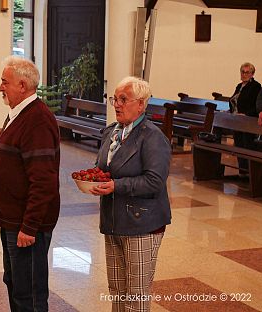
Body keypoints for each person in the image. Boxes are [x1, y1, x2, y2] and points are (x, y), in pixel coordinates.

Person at [89, 76, 171, 312]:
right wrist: (93, 179)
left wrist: (116, 185)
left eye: (124, 99)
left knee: (136, 293)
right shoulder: (111, 133)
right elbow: (103, 167)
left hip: (142, 223)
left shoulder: (153, 137)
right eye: (115, 98)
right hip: (113, 220)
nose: (117, 104)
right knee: (117, 290)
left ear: (141, 104)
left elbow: (154, 181)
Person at [0, 56, 60, 311]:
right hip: (13, 220)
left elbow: (44, 180)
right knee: (16, 283)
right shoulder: (19, 114)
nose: (0, 88)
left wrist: (29, 226)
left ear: (22, 85)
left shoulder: (37, 120)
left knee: (29, 292)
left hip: (26, 225)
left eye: (4, 82)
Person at [229, 62, 261, 175]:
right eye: (242, 72)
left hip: (248, 121)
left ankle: (250, 172)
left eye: (247, 72)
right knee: (238, 145)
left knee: (247, 146)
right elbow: (233, 101)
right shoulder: (239, 86)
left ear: (252, 74)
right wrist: (230, 111)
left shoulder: (255, 86)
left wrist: (246, 114)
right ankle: (242, 171)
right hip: (237, 120)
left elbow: (256, 105)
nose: (244, 74)